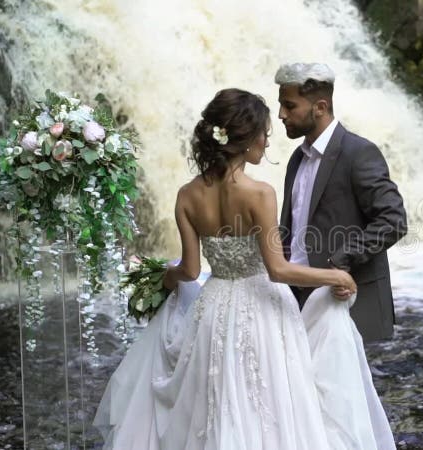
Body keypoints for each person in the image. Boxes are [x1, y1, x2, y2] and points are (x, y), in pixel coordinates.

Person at [94, 88, 393, 449]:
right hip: (263, 310)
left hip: (214, 308)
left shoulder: (187, 196)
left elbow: (189, 271)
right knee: (267, 406)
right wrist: (336, 276)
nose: (267, 142)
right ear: (246, 139)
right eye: (264, 134)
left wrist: (161, 278)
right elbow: (278, 269)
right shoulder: (259, 193)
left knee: (215, 402)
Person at [275, 63, 407, 342]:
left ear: (320, 107)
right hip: (296, 302)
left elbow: (393, 221)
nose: (281, 115)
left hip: (346, 302)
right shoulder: (296, 159)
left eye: (289, 106)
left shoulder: (359, 153)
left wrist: (341, 260)